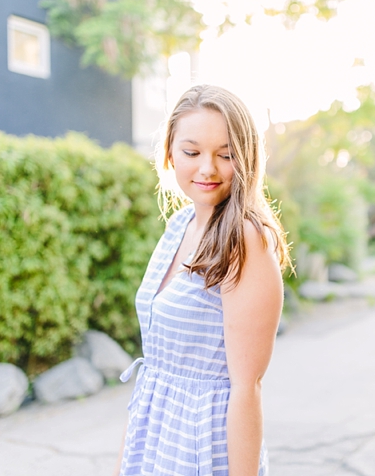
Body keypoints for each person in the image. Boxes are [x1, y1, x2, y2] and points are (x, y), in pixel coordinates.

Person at [117, 85, 290, 475]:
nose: (208, 168)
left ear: (246, 159)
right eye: (192, 152)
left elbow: (247, 389)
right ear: (169, 153)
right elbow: (154, 373)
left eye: (225, 155)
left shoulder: (244, 238)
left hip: (200, 446)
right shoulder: (179, 225)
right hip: (153, 438)